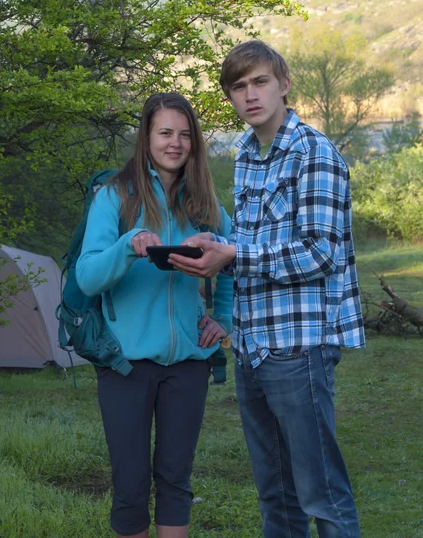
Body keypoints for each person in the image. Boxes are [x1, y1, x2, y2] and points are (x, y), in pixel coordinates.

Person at [169, 41, 366, 538]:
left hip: (299, 346)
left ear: (284, 84)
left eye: (259, 82)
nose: (250, 94)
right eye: (239, 87)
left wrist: (233, 255)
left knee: (322, 493)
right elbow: (253, 242)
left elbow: (321, 253)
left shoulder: (315, 153)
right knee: (275, 495)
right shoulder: (245, 156)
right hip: (253, 347)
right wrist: (216, 243)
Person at [76, 93, 233, 538]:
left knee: (175, 480)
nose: (176, 143)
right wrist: (127, 246)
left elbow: (235, 260)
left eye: (185, 135)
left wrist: (224, 317)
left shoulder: (203, 200)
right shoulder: (114, 197)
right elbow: (87, 277)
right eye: (165, 133)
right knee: (130, 485)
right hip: (126, 362)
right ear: (146, 137)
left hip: (188, 362)